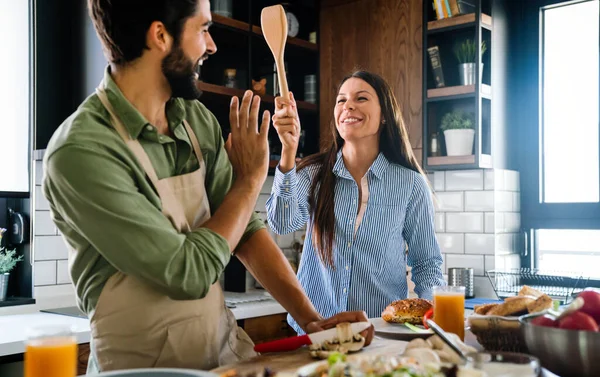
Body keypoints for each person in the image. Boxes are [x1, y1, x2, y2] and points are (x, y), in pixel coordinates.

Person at [42, 0, 372, 373]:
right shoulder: (81, 151)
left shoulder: (195, 121)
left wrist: (310, 319)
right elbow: (188, 273)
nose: (211, 46)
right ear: (161, 35)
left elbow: (243, 228)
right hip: (140, 371)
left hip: (222, 357)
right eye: (203, 29)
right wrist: (249, 179)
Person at [267, 71, 445, 334]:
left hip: (381, 332)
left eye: (361, 98)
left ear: (384, 115)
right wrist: (288, 151)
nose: (348, 106)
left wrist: (430, 317)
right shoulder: (312, 173)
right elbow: (281, 223)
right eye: (341, 100)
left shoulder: (410, 184)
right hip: (316, 330)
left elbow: (427, 263)